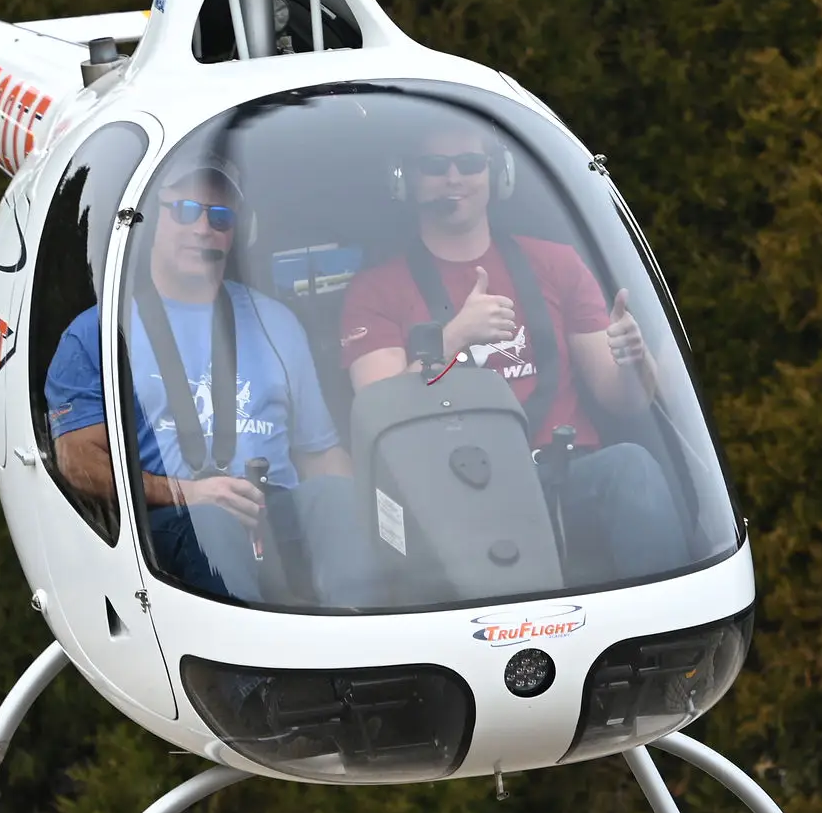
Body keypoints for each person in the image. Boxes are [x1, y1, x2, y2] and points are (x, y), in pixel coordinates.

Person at [338, 115, 679, 583]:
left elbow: (625, 398)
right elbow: (379, 415)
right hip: (451, 489)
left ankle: (660, 632)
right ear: (406, 180)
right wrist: (454, 337)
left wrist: (633, 357)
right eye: (435, 165)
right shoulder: (374, 290)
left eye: (470, 163)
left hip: (562, 475)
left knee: (633, 467)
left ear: (498, 176)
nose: (454, 177)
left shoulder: (557, 262)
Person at [44, 159, 372, 606]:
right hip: (173, 519)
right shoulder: (98, 334)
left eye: (219, 217)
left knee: (338, 498)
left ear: (237, 231)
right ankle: (252, 667)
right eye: (184, 210)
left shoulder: (278, 322)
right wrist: (187, 493)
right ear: (151, 218)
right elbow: (78, 459)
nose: (203, 228)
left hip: (275, 517)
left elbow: (321, 455)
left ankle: (361, 641)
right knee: (211, 524)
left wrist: (361, 515)